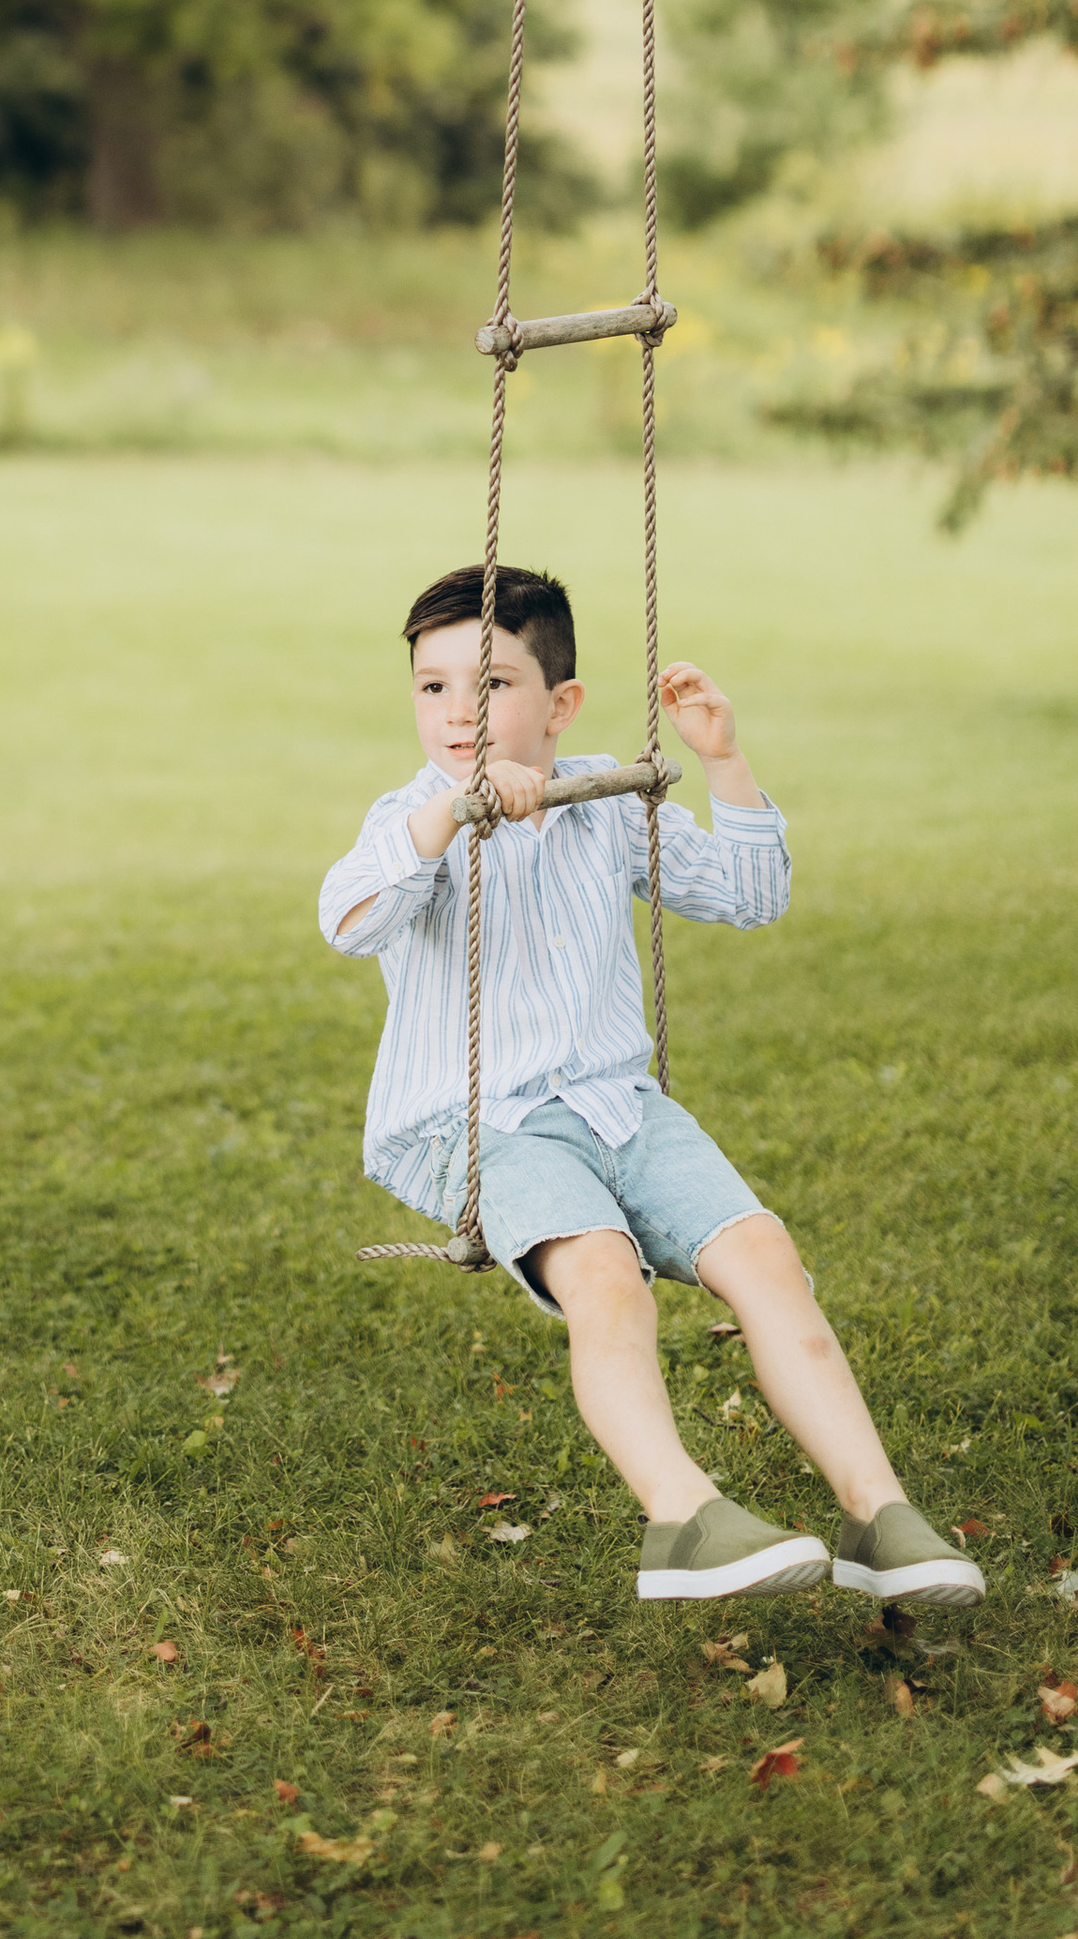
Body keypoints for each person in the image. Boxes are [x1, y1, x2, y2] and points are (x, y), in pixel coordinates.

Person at [320, 561, 982, 1611]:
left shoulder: (603, 805)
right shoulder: (410, 818)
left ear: (559, 704)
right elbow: (348, 922)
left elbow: (751, 896)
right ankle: (680, 1515)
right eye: (432, 686)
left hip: (618, 1106)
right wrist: (451, 819)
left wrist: (723, 765)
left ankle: (879, 1516)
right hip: (474, 1125)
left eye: (490, 685)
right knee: (601, 1270)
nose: (456, 711)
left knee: (765, 1256)